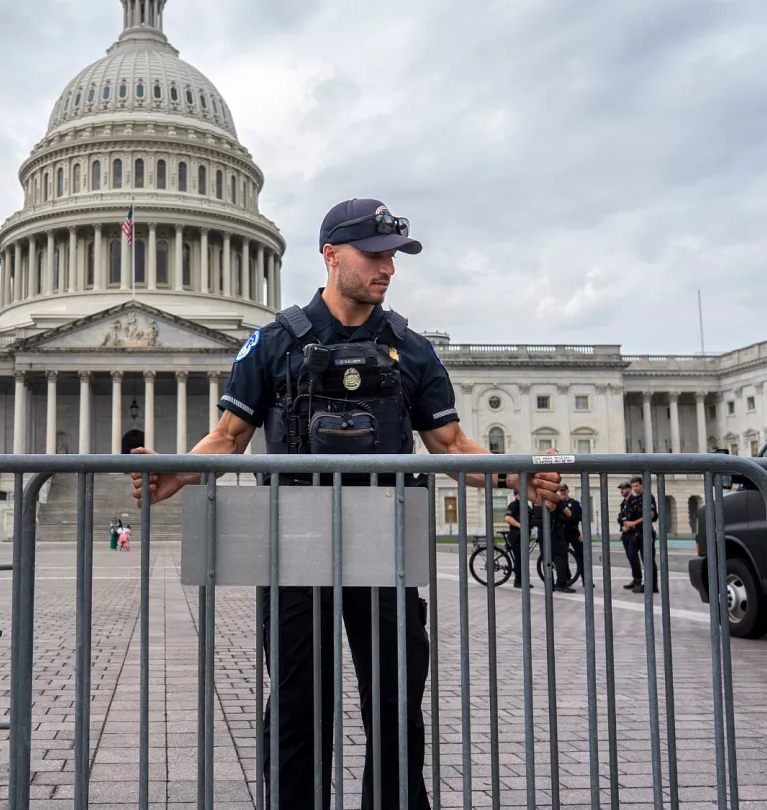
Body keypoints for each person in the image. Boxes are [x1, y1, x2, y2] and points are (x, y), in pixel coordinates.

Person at [127, 198, 560, 810]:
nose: (388, 268)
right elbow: (228, 436)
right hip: (295, 545)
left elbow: (450, 444)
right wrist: (183, 472)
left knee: (395, 699)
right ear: (331, 255)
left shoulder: (411, 349)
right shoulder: (273, 342)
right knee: (299, 701)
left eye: (394, 256)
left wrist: (516, 478)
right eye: (374, 254)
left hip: (384, 545)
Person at [618, 476, 659, 592]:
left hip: (646, 532)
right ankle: (640, 581)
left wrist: (632, 523)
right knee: (636, 557)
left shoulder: (648, 497)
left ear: (642, 485)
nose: (635, 488)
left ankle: (652, 586)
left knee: (648, 560)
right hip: (638, 533)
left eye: (637, 486)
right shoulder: (636, 499)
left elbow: (650, 515)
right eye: (633, 486)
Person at [550, 483, 583, 591]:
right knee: (563, 556)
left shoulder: (575, 504)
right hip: (562, 532)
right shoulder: (557, 504)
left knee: (581, 555)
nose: (563, 492)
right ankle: (566, 579)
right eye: (561, 491)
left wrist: (583, 532)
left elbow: (583, 518)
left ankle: (586, 579)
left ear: (568, 491)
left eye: (564, 490)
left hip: (574, 531)